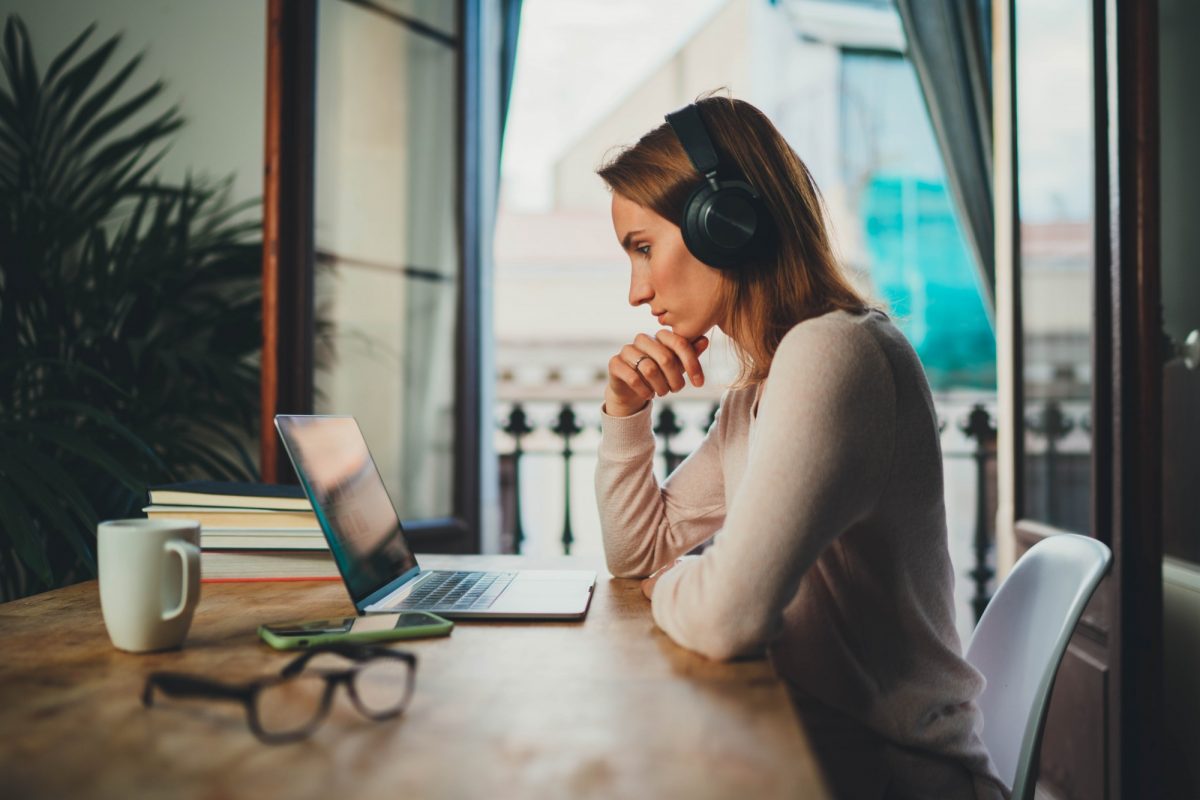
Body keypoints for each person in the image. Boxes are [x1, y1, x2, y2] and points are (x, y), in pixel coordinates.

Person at [593, 94, 1008, 800]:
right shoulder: (765, 388)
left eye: (643, 248)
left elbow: (726, 618)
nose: (637, 292)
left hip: (894, 776)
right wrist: (624, 412)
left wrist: (674, 587)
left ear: (726, 224)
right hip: (818, 755)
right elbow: (638, 552)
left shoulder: (835, 353)